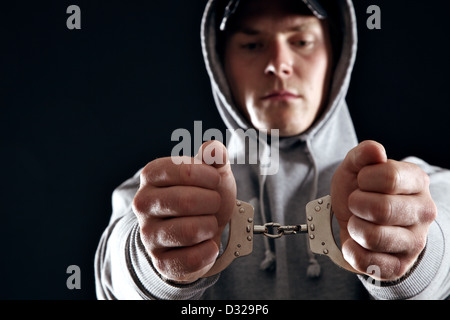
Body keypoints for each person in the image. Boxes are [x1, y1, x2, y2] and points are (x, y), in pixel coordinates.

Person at [94, 0, 450, 299]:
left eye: (301, 41)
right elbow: (114, 279)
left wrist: (417, 252)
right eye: (252, 45)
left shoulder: (423, 190)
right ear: (221, 67)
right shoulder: (154, 198)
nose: (278, 64)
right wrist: (151, 259)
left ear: (336, 57)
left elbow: (444, 250)